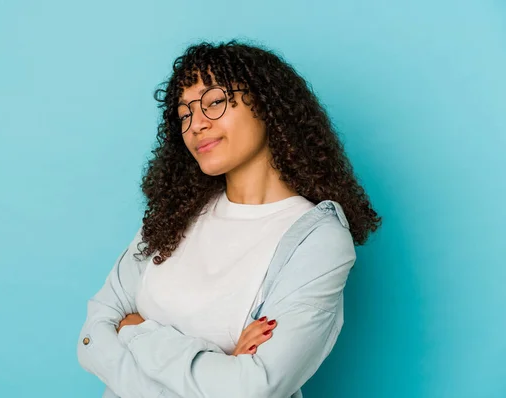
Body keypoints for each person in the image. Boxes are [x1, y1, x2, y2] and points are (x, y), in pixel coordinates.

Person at [77, 40, 381, 398]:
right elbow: (91, 338)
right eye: (185, 113)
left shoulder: (317, 240)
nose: (196, 125)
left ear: (266, 105)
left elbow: (250, 388)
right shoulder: (174, 216)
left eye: (215, 102)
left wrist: (133, 331)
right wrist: (218, 362)